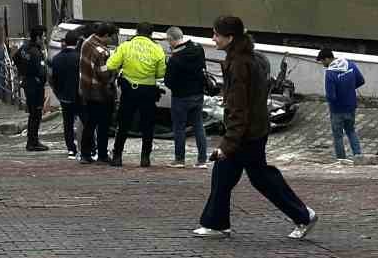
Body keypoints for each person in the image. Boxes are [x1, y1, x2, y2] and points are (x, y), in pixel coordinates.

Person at [194, 16, 316, 240]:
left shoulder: (239, 64)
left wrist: (227, 143)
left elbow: (240, 108)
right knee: (239, 176)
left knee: (255, 177)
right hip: (254, 130)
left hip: (246, 134)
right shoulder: (248, 58)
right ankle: (216, 223)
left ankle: (302, 215)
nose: (213, 39)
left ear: (229, 38)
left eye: (216, 34)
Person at [108, 24, 167, 167]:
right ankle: (145, 157)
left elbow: (110, 65)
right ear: (151, 34)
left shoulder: (125, 46)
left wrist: (103, 68)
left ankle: (117, 156)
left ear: (137, 32)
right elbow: (161, 73)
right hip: (148, 91)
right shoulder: (157, 48)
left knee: (123, 123)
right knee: (147, 125)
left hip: (129, 90)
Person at [165, 26, 210, 168]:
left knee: (179, 127)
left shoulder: (175, 58)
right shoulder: (198, 49)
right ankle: (202, 160)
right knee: (198, 126)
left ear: (171, 39)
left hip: (180, 97)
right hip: (198, 94)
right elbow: (203, 68)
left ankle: (179, 160)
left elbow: (168, 81)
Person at [77, 23, 116, 164]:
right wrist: (115, 70)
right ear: (106, 35)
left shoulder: (87, 42)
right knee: (103, 125)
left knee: (90, 123)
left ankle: (85, 154)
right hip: (100, 93)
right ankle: (102, 155)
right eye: (112, 37)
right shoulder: (101, 52)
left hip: (86, 90)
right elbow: (104, 75)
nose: (113, 40)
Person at [318, 47, 365, 159]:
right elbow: (361, 80)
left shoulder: (330, 74)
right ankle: (358, 156)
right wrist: (349, 89)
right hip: (351, 106)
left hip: (337, 110)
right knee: (351, 131)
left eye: (322, 61)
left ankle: (341, 159)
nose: (322, 64)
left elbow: (331, 96)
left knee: (338, 136)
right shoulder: (350, 65)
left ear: (328, 59)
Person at [14, 28, 51, 152]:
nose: (45, 39)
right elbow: (41, 71)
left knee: (33, 114)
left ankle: (33, 141)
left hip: (28, 83)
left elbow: (15, 57)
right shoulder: (36, 52)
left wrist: (23, 72)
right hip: (35, 86)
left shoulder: (25, 47)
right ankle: (33, 142)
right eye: (43, 36)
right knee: (36, 114)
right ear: (38, 37)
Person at [50, 29, 83, 157]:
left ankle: (71, 148)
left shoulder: (56, 59)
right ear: (77, 42)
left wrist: (58, 92)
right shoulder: (79, 57)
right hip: (79, 95)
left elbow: (53, 79)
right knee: (84, 121)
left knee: (67, 123)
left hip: (63, 96)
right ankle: (87, 147)